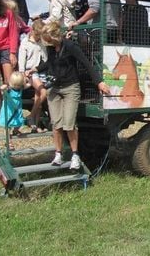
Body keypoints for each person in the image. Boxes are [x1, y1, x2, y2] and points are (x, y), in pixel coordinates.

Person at [26, 21, 110, 170]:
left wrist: (99, 82)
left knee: (69, 123)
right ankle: (58, 154)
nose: (47, 42)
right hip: (54, 88)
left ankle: (75, 155)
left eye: (49, 39)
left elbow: (86, 64)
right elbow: (50, 63)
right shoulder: (51, 48)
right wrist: (36, 69)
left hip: (71, 87)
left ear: (55, 36)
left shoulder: (70, 46)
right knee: (56, 124)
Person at [18, 20, 48, 133]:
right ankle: (30, 117)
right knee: (43, 92)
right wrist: (22, 72)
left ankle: (35, 125)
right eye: (37, 34)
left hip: (43, 71)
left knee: (38, 99)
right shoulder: (25, 42)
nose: (39, 37)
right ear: (32, 30)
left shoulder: (43, 41)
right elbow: (22, 59)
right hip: (31, 72)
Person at [0, 71, 30, 140]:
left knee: (20, 121)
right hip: (9, 110)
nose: (16, 87)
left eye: (18, 85)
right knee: (8, 126)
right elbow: (2, 88)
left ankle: (15, 130)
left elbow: (29, 84)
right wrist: (4, 87)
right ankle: (8, 141)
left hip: (17, 109)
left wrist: (28, 78)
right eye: (15, 85)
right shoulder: (9, 89)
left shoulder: (20, 89)